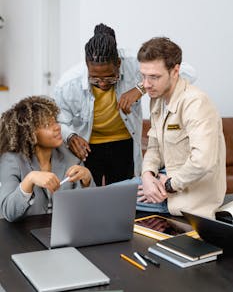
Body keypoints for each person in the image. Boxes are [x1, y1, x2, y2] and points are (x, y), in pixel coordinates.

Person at [54, 24, 197, 187]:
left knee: (123, 197)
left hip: (124, 145)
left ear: (119, 64)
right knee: (88, 197)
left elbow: (189, 73)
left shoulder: (134, 63)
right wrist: (70, 136)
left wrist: (141, 87)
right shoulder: (68, 84)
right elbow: (59, 120)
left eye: (110, 78)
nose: (102, 84)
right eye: (94, 79)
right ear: (87, 66)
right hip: (88, 148)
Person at [136, 37, 226, 218]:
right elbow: (153, 147)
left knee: (105, 201)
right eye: (143, 76)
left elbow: (203, 161)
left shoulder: (196, 103)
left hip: (186, 195)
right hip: (161, 181)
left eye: (154, 77)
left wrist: (169, 184)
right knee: (104, 196)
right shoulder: (157, 99)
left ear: (175, 70)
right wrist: (147, 176)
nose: (146, 84)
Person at [0, 96, 94, 222]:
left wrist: (87, 182)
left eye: (55, 121)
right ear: (30, 133)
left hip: (62, 230)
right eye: (47, 125)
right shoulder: (11, 160)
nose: (57, 127)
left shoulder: (69, 155)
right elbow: (8, 212)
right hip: (21, 235)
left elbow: (90, 208)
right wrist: (29, 180)